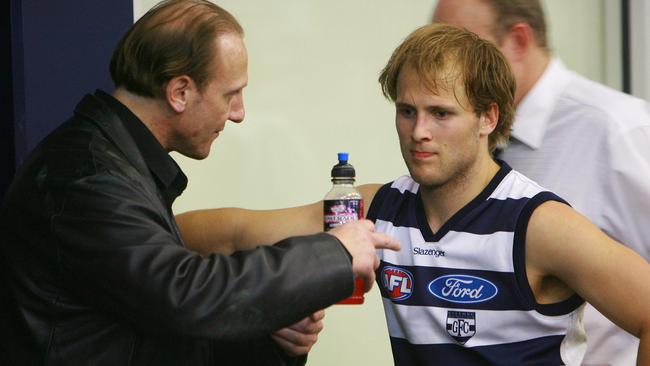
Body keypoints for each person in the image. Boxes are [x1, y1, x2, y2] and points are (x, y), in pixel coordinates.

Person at [176, 23, 650, 365]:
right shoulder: (377, 210)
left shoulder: (538, 224)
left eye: (441, 114)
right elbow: (235, 232)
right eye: (407, 111)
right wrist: (138, 236)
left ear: (488, 118)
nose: (418, 132)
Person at [0, 0, 401, 365]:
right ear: (179, 92)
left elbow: (151, 329)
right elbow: (186, 295)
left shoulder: (115, 161)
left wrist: (270, 339)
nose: (239, 113)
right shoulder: (88, 177)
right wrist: (333, 253)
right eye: (231, 94)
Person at [431, 1, 650, 364]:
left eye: (460, 46)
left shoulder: (619, 131)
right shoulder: (464, 139)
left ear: (517, 42)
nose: (442, 64)